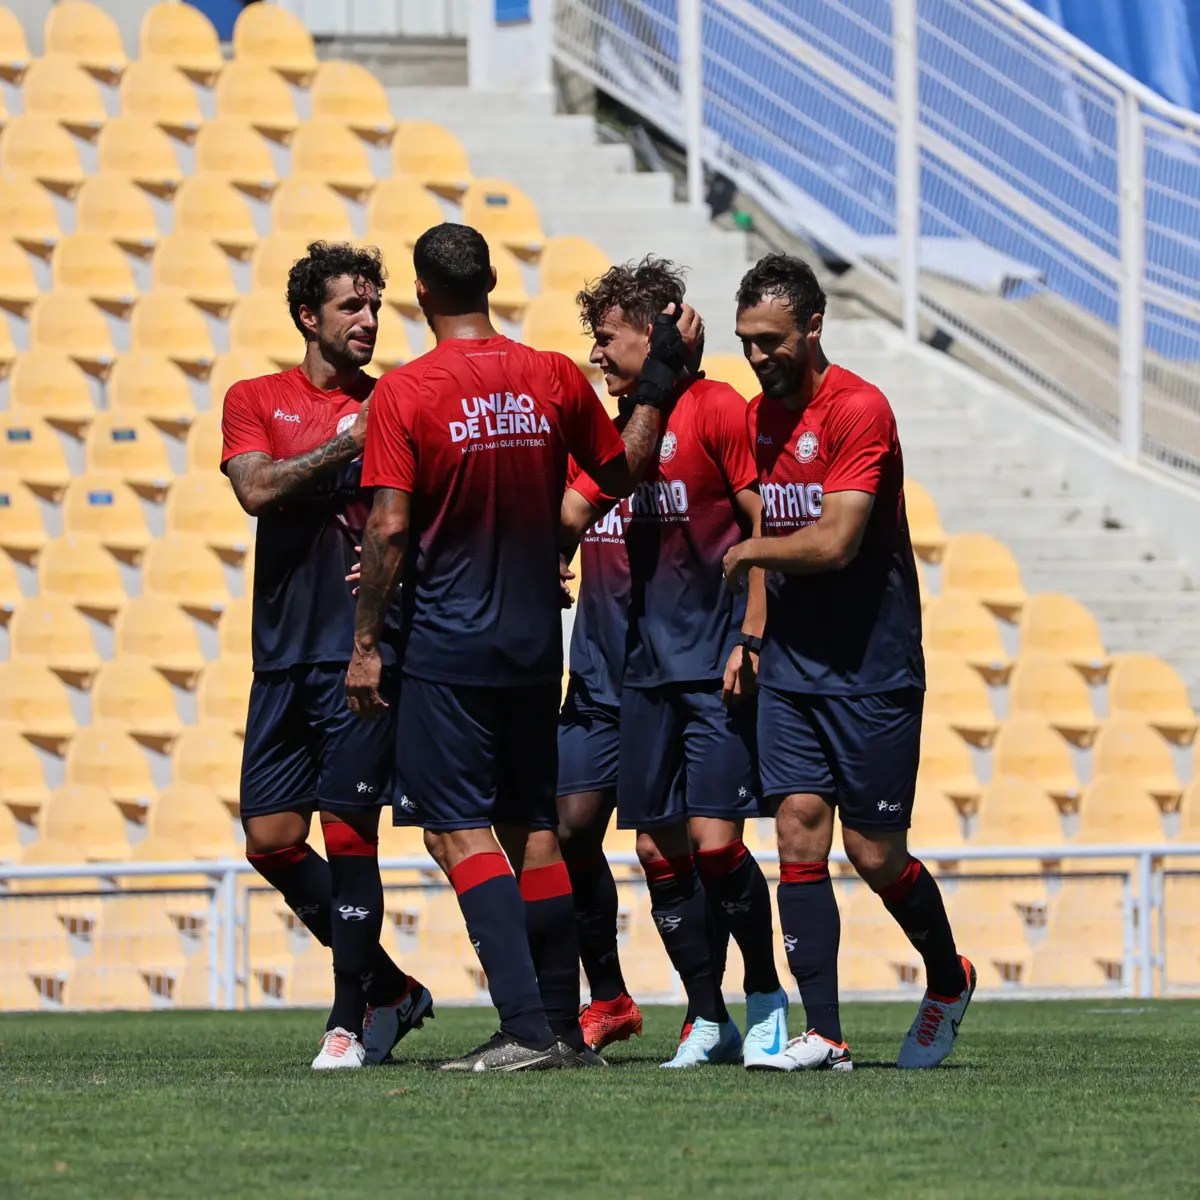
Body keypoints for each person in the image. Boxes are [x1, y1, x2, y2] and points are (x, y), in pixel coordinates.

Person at [346, 223, 691, 1071]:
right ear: (492, 281)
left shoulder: (406, 392)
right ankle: (566, 1030)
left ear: (420, 295)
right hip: (538, 639)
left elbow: (389, 526)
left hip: (449, 645)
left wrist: (365, 643)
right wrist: (655, 386)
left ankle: (524, 1027)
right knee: (532, 827)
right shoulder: (550, 375)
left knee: (455, 831)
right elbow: (621, 470)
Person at [722, 253, 975, 1071]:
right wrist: (755, 634)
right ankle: (824, 1034)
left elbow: (833, 542)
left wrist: (747, 552)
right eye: (745, 342)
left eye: (770, 341)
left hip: (873, 666)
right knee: (797, 830)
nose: (757, 357)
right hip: (795, 665)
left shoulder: (860, 409)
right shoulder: (760, 418)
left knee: (873, 853)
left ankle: (947, 978)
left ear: (813, 328)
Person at [561, 257, 788, 1070]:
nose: (598, 356)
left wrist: (750, 636)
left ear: (656, 333)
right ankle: (706, 1014)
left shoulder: (718, 408)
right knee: (656, 851)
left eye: (609, 338)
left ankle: (765, 993)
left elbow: (764, 531)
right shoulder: (609, 430)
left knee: (718, 844)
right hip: (637, 677)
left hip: (709, 666)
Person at [221, 241, 432, 1070]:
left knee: (350, 836)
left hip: (361, 656)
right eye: (352, 306)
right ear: (309, 316)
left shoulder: (400, 402)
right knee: (270, 840)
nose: (369, 320)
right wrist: (352, 443)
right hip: (279, 657)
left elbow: (425, 515)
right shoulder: (255, 398)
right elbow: (257, 489)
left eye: (376, 306)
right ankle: (392, 987)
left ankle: (347, 1018)